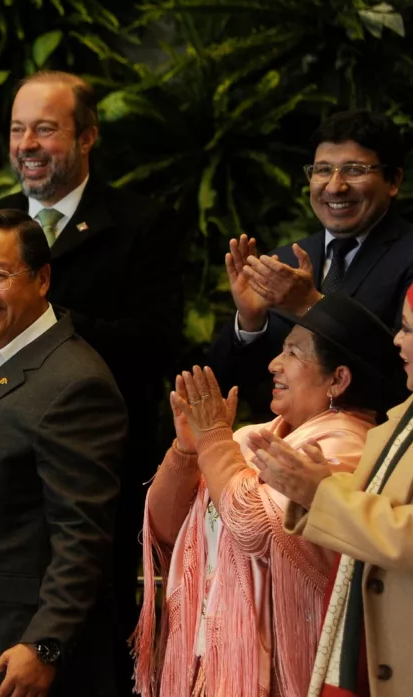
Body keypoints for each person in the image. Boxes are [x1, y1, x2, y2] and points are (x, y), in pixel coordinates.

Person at [0, 72, 184, 692]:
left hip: (48, 589)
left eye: (45, 127)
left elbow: (155, 345)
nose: (27, 142)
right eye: (16, 128)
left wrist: (48, 639)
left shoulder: (142, 228)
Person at [132, 294, 403, 697]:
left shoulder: (349, 448)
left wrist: (212, 441)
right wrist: (188, 451)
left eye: (293, 352)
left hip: (282, 668)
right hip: (209, 662)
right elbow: (166, 528)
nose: (274, 363)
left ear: (338, 380)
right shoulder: (247, 437)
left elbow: (254, 528)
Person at [0, 210, 128, 697]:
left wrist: (45, 644)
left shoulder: (75, 383)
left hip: (18, 652)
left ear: (42, 279)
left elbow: (82, 537)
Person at [251, 284, 413, 697]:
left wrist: (319, 492)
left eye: (410, 331)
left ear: (338, 380)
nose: (399, 340)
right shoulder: (400, 419)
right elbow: (380, 506)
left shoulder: (348, 434)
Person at [209, 110, 413, 421]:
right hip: (280, 451)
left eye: (354, 170)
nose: (334, 186)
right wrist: (250, 323)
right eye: (322, 170)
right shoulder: (285, 261)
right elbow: (227, 387)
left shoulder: (408, 254)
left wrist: (310, 307)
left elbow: (401, 380)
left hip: (368, 453)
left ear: (393, 180)